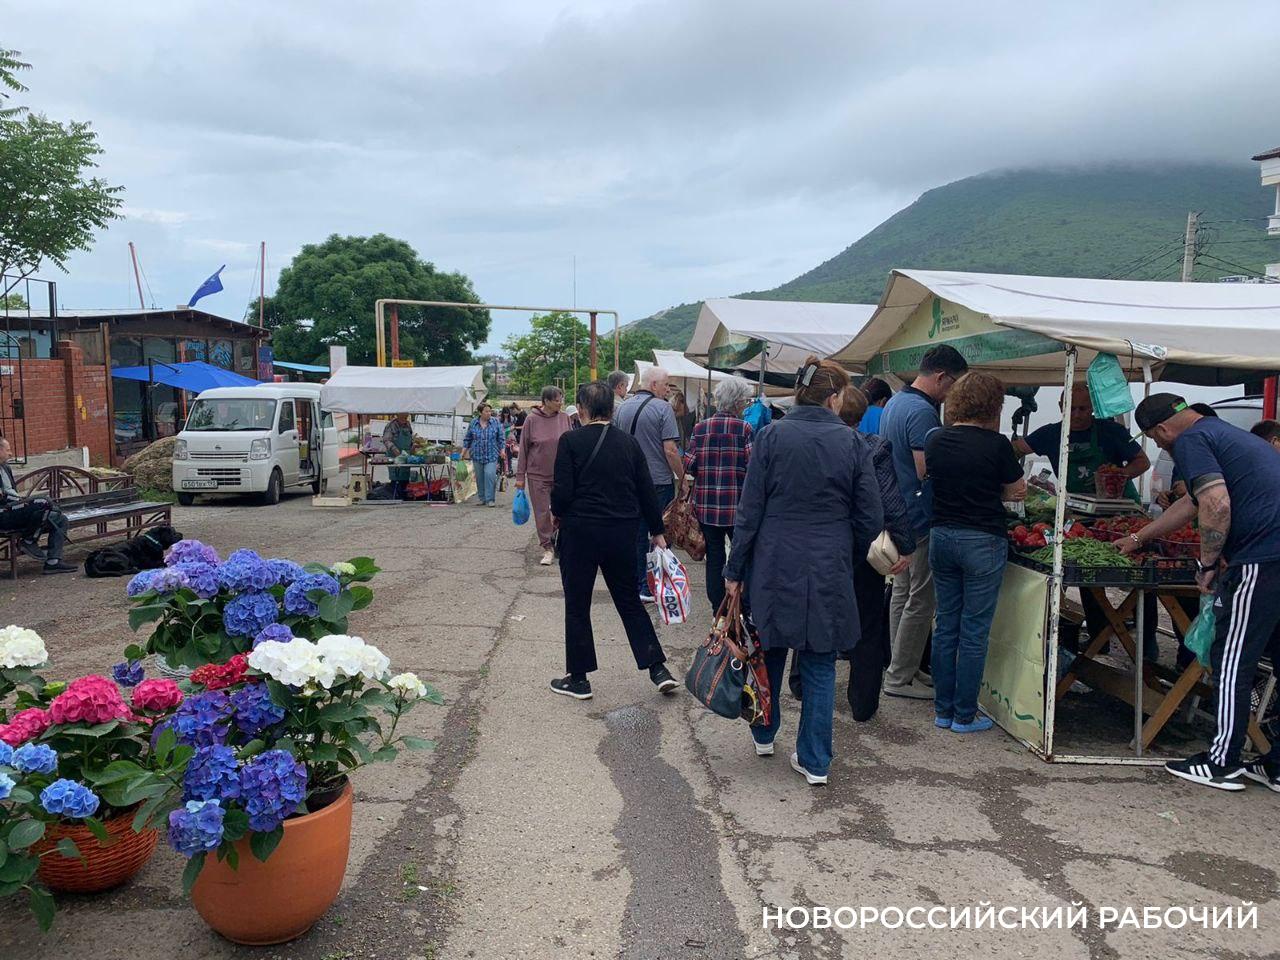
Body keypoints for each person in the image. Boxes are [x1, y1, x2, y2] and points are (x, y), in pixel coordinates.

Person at [724, 357, 883, 786]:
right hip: (829, 562)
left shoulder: (771, 436)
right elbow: (871, 518)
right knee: (819, 659)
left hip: (774, 559)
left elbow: (749, 510)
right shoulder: (852, 443)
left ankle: (763, 732)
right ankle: (815, 760)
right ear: (834, 397)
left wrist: (735, 568)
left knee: (770, 648)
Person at [1125, 394, 1280, 792]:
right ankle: (1276, 764)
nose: (1162, 448)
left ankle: (1221, 761)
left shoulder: (1192, 441)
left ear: (1161, 430)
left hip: (1263, 559)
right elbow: (1191, 503)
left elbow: (1215, 502)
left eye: (1158, 443)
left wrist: (1208, 564)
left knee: (1231, 659)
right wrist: (1139, 536)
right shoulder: (1225, 433)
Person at [548, 381, 679, 700]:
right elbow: (646, 490)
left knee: (578, 604)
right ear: (611, 409)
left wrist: (556, 511)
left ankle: (578, 679)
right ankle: (658, 668)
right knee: (629, 602)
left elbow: (562, 494)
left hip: (580, 534)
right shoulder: (628, 444)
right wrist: (657, 532)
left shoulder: (570, 441)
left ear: (581, 409)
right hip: (621, 532)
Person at [1013, 384, 1156, 660]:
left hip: (1119, 513)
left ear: (1092, 409)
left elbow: (1142, 461)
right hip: (1079, 514)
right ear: (1061, 407)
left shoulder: (1110, 432)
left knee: (1141, 576)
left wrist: (1118, 473)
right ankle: (1097, 639)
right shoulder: (1051, 433)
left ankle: (1147, 643)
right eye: (1071, 408)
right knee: (1089, 577)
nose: (1077, 414)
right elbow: (1017, 449)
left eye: (1083, 408)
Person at [925, 373, 1026, 733]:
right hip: (983, 538)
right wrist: (993, 494)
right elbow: (1018, 491)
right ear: (993, 405)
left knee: (946, 624)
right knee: (974, 631)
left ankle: (942, 708)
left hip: (942, 535)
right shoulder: (997, 445)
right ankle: (964, 714)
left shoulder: (935, 440)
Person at [879, 344, 969, 700]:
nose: (953, 394)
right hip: (918, 516)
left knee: (902, 593)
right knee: (921, 598)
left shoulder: (896, 404)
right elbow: (924, 468)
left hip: (897, 511)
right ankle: (899, 677)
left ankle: (902, 666)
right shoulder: (921, 413)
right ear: (941, 377)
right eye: (953, 386)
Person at [614, 367, 686, 600]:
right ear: (653, 384)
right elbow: (671, 450)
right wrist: (683, 478)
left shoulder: (622, 407)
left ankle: (637, 584)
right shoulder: (663, 408)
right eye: (666, 384)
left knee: (635, 534)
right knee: (659, 533)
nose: (668, 389)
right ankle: (652, 585)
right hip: (658, 481)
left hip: (627, 481)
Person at [683, 377, 754, 614]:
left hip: (707, 504)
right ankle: (740, 605)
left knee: (714, 556)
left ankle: (718, 608)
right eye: (744, 401)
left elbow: (690, 463)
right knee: (740, 554)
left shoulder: (700, 428)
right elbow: (752, 465)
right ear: (737, 403)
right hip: (737, 506)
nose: (745, 406)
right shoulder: (744, 429)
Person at [0, 437, 75, 574]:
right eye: (8, 450)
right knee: (43, 502)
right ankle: (29, 540)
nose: (11, 453)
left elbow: (12, 493)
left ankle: (53, 562)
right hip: (3, 514)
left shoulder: (5, 467)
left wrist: (22, 501)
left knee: (59, 519)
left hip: (14, 509)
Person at [517, 387, 572, 566]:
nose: (560, 402)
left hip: (562, 474)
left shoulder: (565, 418)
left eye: (561, 399)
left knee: (562, 510)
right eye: (557, 399)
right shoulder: (531, 419)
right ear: (546, 401)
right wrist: (520, 477)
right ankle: (547, 547)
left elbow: (572, 446)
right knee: (542, 512)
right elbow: (523, 449)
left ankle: (559, 540)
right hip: (537, 475)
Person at [462, 403, 505, 507]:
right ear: (480, 412)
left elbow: (501, 438)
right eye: (486, 411)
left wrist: (502, 450)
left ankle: (490, 499)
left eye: (490, 411)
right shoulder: (473, 423)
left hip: (491, 454)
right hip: (477, 455)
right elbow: (468, 439)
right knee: (480, 478)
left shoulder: (495, 422)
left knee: (490, 475)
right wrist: (462, 453)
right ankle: (482, 498)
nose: (489, 413)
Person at [381, 414, 415, 499]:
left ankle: (404, 496)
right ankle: (395, 496)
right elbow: (386, 439)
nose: (406, 417)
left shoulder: (407, 425)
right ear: (398, 414)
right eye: (404, 415)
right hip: (395, 456)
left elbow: (410, 439)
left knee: (405, 477)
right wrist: (394, 449)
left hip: (406, 455)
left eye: (406, 415)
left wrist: (413, 446)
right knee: (396, 478)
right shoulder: (392, 425)